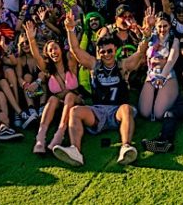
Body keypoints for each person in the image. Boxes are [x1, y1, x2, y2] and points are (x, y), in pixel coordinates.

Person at [53, 12, 144, 167]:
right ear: (98, 53)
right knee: (75, 111)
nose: (106, 55)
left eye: (109, 51)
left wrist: (146, 36)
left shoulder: (122, 65)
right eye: (103, 52)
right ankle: (75, 151)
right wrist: (70, 30)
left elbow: (140, 53)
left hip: (117, 112)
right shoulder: (95, 65)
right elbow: (75, 49)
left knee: (127, 109)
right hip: (97, 112)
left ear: (115, 49)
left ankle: (126, 147)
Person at [23, 20, 80, 154]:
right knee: (53, 99)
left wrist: (69, 29)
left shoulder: (71, 65)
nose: (53, 52)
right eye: (50, 50)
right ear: (47, 54)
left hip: (76, 101)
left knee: (70, 96)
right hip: (60, 105)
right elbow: (37, 57)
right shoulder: (48, 70)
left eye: (55, 48)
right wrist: (31, 39)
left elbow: (73, 49)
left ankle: (59, 134)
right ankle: (41, 138)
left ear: (60, 49)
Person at [139, 17, 181, 120]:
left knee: (159, 114)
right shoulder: (151, 39)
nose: (162, 29)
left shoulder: (173, 40)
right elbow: (140, 52)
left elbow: (171, 60)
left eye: (165, 26)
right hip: (152, 74)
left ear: (170, 26)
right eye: (160, 26)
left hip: (167, 75)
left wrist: (162, 77)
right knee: (145, 112)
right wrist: (145, 36)